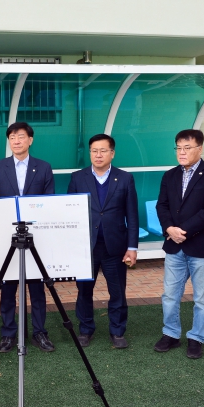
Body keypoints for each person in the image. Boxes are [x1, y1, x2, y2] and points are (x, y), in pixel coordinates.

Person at [154, 129, 204, 359]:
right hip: (175, 246)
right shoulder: (170, 175)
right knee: (170, 294)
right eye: (178, 148)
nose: (181, 152)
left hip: (202, 247)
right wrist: (169, 229)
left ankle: (196, 338)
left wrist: (181, 231)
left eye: (187, 148)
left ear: (200, 149)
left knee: (202, 297)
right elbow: (162, 206)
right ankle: (171, 334)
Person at [0, 121, 56, 353]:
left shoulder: (43, 167)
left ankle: (40, 332)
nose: (16, 141)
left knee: (37, 288)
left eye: (20, 136)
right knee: (7, 288)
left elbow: (49, 202)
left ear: (30, 140)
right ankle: (8, 334)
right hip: (8, 237)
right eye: (12, 137)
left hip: (36, 238)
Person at [67, 134, 139, 349]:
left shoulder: (125, 178)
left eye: (103, 151)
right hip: (85, 247)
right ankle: (85, 329)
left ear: (112, 153)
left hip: (114, 247)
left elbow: (132, 215)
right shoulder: (77, 177)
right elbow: (69, 213)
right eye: (94, 151)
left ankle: (117, 331)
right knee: (84, 292)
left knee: (117, 292)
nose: (98, 155)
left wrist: (132, 247)